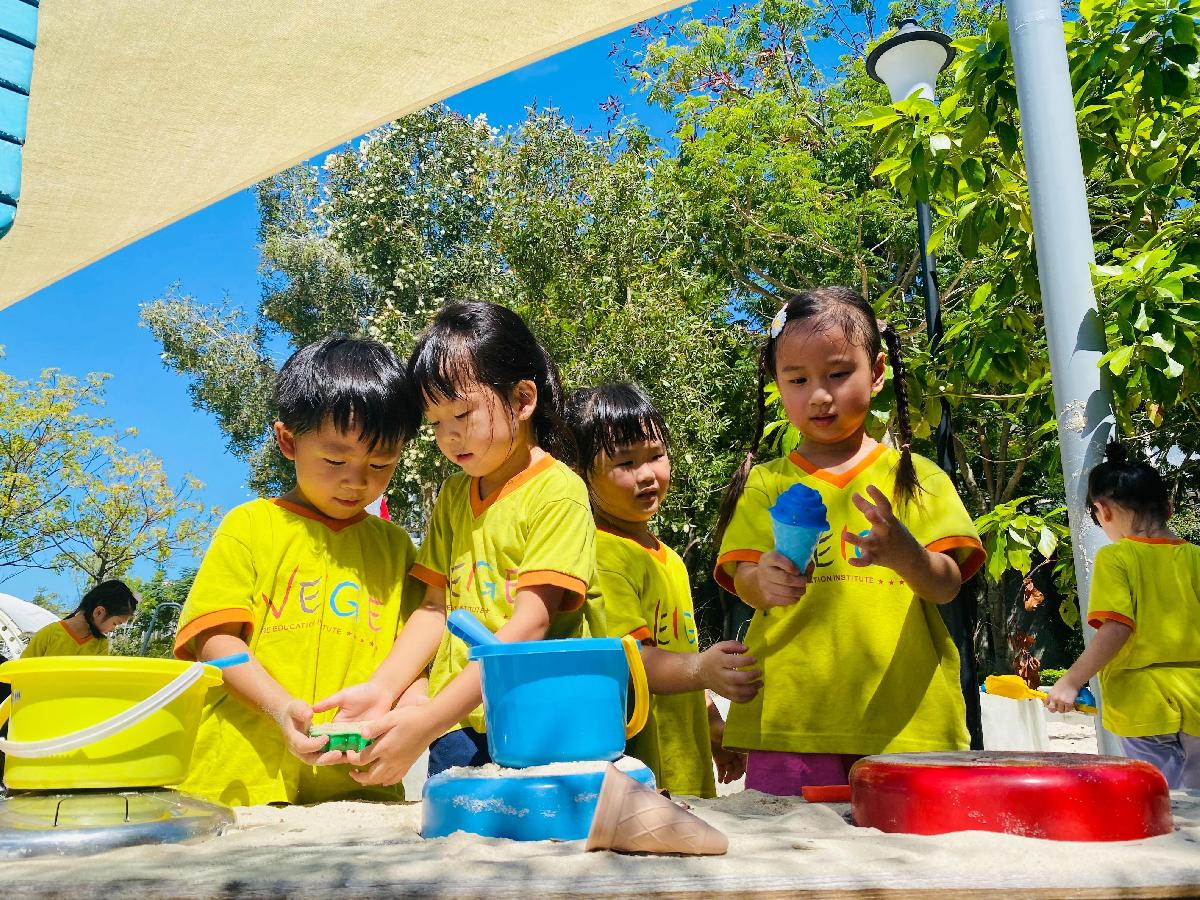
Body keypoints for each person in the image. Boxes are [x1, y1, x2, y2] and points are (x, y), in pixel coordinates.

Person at [712, 285, 985, 796]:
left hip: (906, 721)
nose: (819, 395)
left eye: (838, 374)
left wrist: (907, 555)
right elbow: (743, 579)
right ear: (777, 383)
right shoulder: (766, 482)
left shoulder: (917, 477)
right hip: (791, 718)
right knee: (791, 842)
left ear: (877, 372)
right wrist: (762, 580)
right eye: (798, 379)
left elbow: (947, 585)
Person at [318, 301, 604, 785]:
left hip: (537, 718)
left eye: (462, 413)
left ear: (523, 399)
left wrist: (424, 723)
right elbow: (434, 609)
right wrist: (382, 690)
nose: (449, 437)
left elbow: (530, 624)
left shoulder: (558, 491)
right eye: (435, 423)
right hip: (457, 723)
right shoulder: (454, 495)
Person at [172, 336, 425, 806]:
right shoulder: (250, 525)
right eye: (335, 460)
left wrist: (412, 714)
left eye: (380, 463)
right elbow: (214, 641)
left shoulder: (396, 548)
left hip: (357, 786)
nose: (356, 480)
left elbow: (415, 662)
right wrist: (279, 707)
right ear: (288, 441)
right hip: (239, 780)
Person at [566, 383, 762, 797]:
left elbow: (678, 648)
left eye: (655, 455)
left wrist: (712, 722)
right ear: (582, 474)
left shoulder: (668, 557)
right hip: (640, 777)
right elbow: (632, 660)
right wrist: (703, 668)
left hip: (684, 768)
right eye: (625, 462)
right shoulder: (602, 552)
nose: (647, 474)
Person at [1043, 443, 1200, 789]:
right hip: (1197, 696)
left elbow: (1117, 627)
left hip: (1143, 702)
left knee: (1159, 799)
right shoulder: (1196, 558)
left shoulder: (1116, 558)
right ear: (1169, 508)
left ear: (1103, 511)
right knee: (1195, 805)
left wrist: (1071, 681)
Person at [21, 581, 137, 658]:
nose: (113, 629)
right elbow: (22, 670)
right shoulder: (49, 634)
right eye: (115, 623)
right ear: (99, 612)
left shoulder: (101, 645)